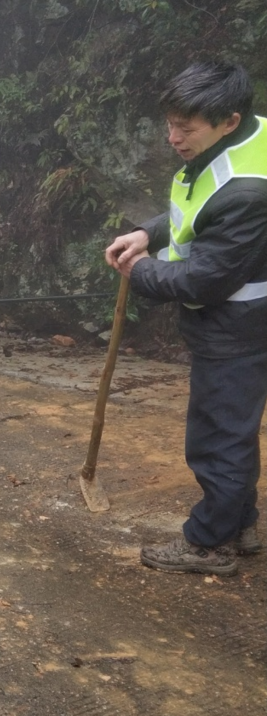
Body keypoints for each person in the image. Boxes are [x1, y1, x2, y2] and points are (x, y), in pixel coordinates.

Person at [105, 61, 267, 576]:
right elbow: (198, 210)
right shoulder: (246, 142)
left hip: (237, 324)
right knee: (232, 430)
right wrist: (148, 234)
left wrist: (140, 269)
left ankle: (208, 544)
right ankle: (240, 525)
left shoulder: (248, 190)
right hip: (244, 316)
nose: (173, 138)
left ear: (229, 119)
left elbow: (201, 281)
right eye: (170, 124)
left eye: (185, 128)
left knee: (217, 437)